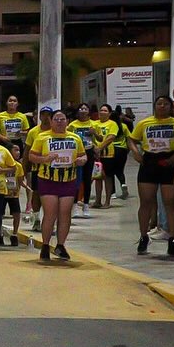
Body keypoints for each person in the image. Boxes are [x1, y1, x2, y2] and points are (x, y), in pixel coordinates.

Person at [128, 95, 174, 257]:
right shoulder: (145, 123)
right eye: (159, 104)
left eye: (165, 104)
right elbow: (131, 139)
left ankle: (173, 239)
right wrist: (135, 153)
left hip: (170, 162)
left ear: (171, 107)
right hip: (149, 162)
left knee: (170, 203)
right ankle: (143, 236)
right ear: (154, 106)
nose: (162, 106)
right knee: (146, 202)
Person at [28, 110, 87, 261]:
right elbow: (32, 156)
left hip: (68, 179)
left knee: (65, 213)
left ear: (67, 121)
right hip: (48, 179)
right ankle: (46, 245)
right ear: (51, 121)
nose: (59, 122)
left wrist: (82, 160)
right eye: (56, 119)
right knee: (50, 213)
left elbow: (82, 155)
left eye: (62, 119)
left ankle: (60, 245)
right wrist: (45, 158)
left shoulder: (75, 138)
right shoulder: (42, 137)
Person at [67, 103, 100, 218]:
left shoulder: (94, 124)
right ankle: (74, 206)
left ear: (89, 111)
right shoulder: (72, 125)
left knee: (87, 179)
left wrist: (94, 133)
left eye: (85, 108)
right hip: (76, 154)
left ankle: (86, 205)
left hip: (89, 152)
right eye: (81, 108)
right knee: (76, 179)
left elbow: (100, 138)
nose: (83, 110)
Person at [92, 104, 119, 209]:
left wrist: (100, 148)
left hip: (108, 154)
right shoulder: (94, 123)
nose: (102, 112)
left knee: (108, 177)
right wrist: (95, 148)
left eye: (105, 110)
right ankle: (97, 200)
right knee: (97, 177)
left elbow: (110, 138)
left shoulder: (112, 124)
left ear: (109, 113)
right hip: (96, 155)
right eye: (101, 110)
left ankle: (107, 201)